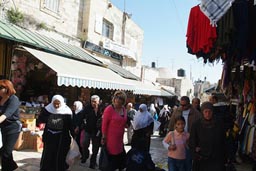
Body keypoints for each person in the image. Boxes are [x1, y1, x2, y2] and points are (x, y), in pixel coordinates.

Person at [37, 95, 73, 171]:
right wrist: (50, 119)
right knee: (48, 154)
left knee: (59, 156)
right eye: (55, 103)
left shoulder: (67, 112)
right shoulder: (47, 109)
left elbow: (70, 125)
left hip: (61, 138)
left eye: (58, 104)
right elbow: (40, 119)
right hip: (49, 136)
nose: (56, 106)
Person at [189, 101, 226, 171]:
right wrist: (195, 152)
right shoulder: (196, 125)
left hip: (216, 158)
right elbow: (192, 141)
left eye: (210, 112)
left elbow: (223, 140)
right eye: (205, 112)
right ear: (202, 112)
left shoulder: (219, 124)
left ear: (213, 112)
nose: (208, 114)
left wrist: (225, 157)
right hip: (201, 158)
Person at [168, 96, 201, 171]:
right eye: (181, 105)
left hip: (189, 143)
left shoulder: (196, 113)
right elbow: (171, 124)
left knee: (187, 164)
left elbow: (199, 129)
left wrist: (197, 144)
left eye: (184, 105)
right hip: (177, 142)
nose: (182, 107)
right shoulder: (177, 111)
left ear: (189, 104)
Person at [101, 90, 128, 171]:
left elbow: (123, 121)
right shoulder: (109, 109)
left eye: (120, 98)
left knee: (120, 159)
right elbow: (104, 125)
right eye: (116, 97)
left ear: (123, 100)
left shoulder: (124, 109)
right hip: (111, 139)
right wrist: (104, 137)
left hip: (120, 139)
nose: (118, 99)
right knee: (112, 160)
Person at [0, 79, 22, 171]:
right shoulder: (0, 98)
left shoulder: (14, 99)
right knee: (4, 151)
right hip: (2, 128)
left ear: (7, 88)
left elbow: (6, 114)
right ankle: (13, 167)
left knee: (5, 152)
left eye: (0, 88)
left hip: (12, 129)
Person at [78, 95, 102, 169]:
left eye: (95, 102)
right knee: (84, 144)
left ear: (98, 102)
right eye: (92, 101)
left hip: (97, 131)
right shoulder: (87, 108)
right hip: (87, 129)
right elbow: (81, 117)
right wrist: (80, 125)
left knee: (95, 148)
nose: (94, 103)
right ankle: (85, 155)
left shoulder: (101, 109)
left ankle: (93, 162)